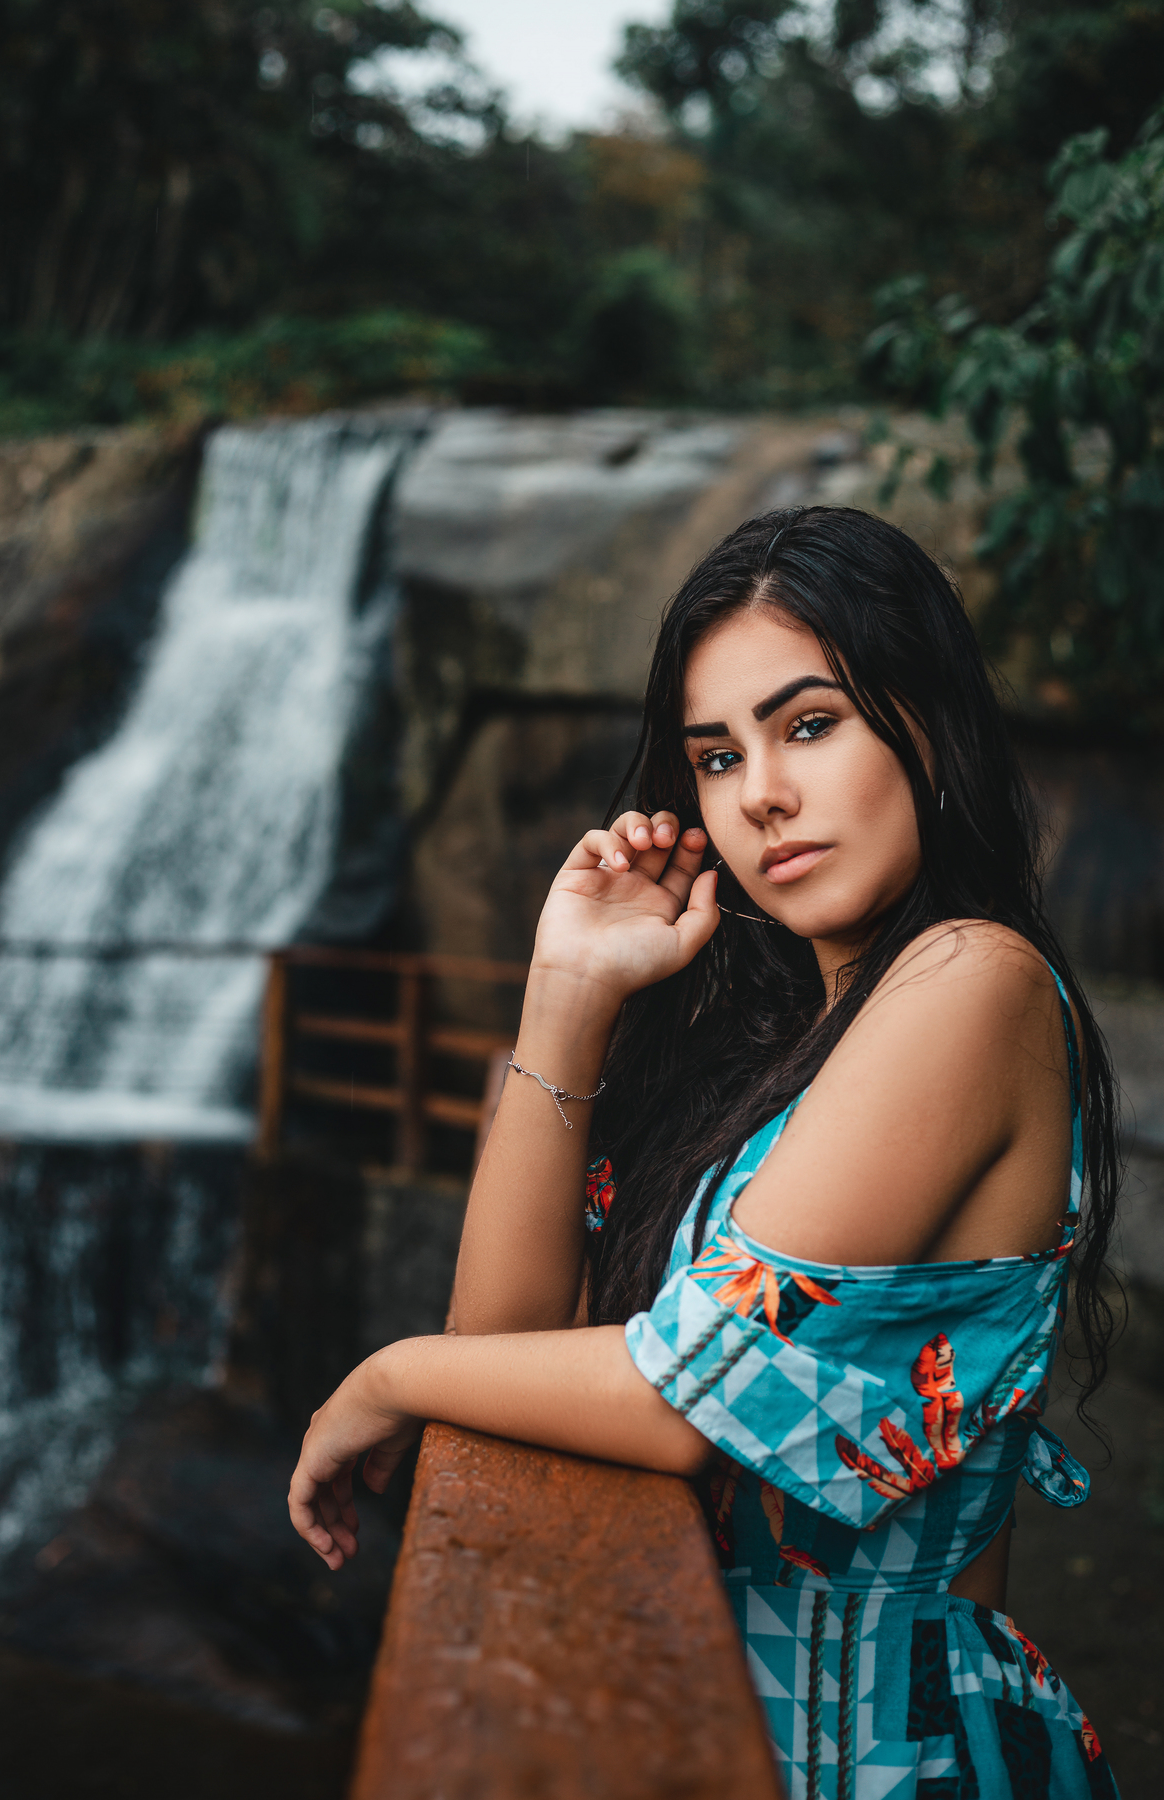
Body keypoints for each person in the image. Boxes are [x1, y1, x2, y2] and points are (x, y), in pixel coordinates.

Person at [289, 506, 1122, 1799]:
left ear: (930, 725)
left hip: (890, 1757)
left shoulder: (974, 980)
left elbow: (687, 1395)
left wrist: (387, 1375)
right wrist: (568, 994)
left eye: (808, 725)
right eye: (716, 757)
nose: (762, 793)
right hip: (711, 1722)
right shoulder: (772, 1043)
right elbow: (504, 1341)